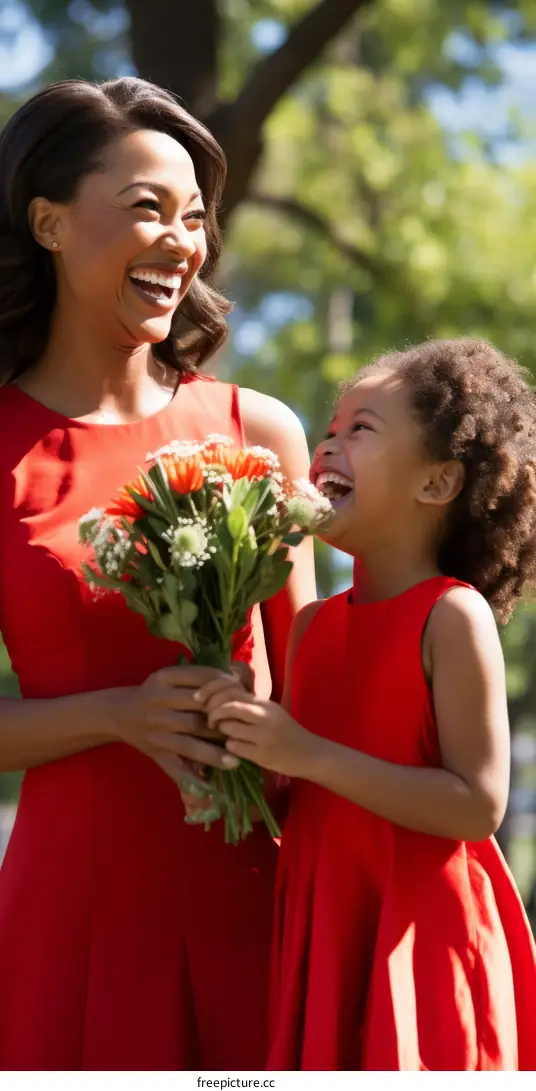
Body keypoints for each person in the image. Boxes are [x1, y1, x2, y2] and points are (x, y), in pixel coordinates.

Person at [0, 77, 316, 1070]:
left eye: (195, 216)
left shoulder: (261, 431)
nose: (183, 241)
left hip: (262, 896)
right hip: (75, 917)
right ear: (49, 223)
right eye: (147, 207)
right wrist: (117, 713)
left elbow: (314, 701)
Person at [191, 339, 536, 1070]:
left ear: (437, 484)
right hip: (326, 930)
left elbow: (477, 803)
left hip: (421, 938)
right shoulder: (313, 626)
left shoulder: (452, 615)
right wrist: (242, 754)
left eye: (362, 429)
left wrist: (305, 752)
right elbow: (306, 796)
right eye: (331, 427)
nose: (326, 445)